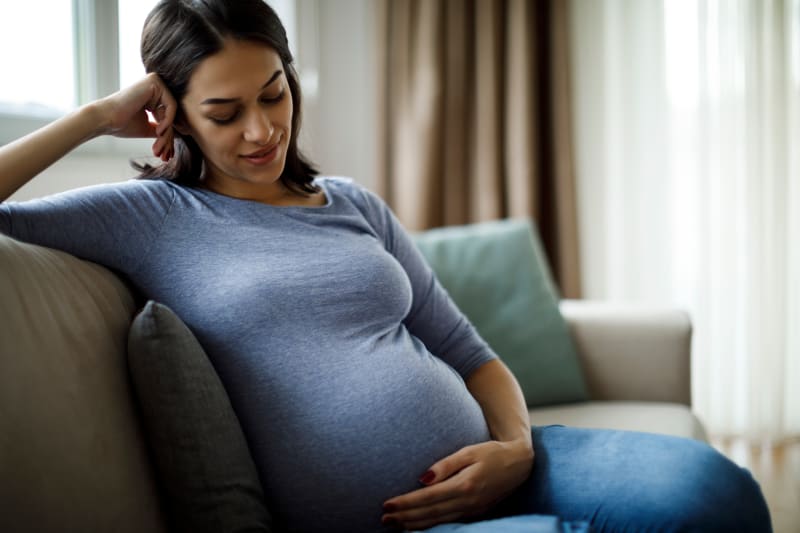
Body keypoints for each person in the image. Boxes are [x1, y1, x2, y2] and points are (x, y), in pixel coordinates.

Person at [0, 1, 772, 532]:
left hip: (511, 464)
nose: (263, 130)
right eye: (225, 113)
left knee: (720, 492)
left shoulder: (350, 204)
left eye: (274, 94)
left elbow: (470, 352)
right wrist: (95, 116)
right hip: (399, 517)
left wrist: (514, 449)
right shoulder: (154, 220)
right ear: (172, 112)